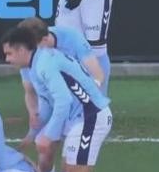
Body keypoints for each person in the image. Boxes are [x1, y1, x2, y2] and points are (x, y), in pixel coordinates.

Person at [2, 27, 112, 172]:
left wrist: (48, 135)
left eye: (9, 53)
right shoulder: (37, 64)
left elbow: (62, 102)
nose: (7, 59)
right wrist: (34, 133)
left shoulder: (44, 64)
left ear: (22, 50)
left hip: (90, 117)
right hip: (81, 118)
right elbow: (47, 105)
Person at [16, 18, 104, 150]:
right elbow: (30, 91)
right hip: (58, 96)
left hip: (82, 98)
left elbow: (97, 75)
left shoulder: (72, 38)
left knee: (74, 148)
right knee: (45, 147)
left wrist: (87, 101)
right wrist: (33, 114)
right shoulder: (28, 53)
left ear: (44, 40)